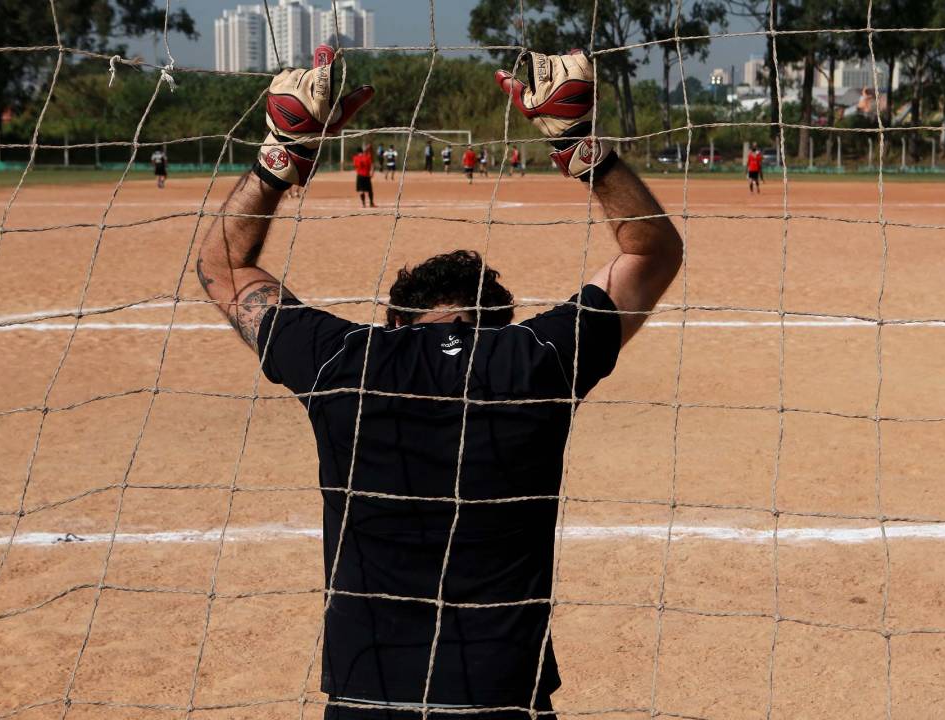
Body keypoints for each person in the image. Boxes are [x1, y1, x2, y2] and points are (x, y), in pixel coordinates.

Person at [197, 48, 681, 720]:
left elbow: (221, 266)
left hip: (370, 694)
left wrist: (282, 151)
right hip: (502, 696)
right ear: (498, 321)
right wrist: (577, 145)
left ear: (393, 319)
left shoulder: (345, 361)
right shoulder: (534, 357)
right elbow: (650, 251)